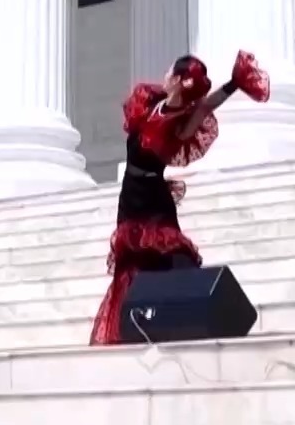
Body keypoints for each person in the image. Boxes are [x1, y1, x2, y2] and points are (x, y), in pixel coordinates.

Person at [91, 50, 270, 346]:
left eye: (170, 71)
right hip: (131, 196)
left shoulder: (179, 119)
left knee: (170, 256)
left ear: (176, 79)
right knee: (131, 263)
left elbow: (207, 104)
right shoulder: (149, 103)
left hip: (152, 198)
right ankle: (129, 325)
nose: (164, 74)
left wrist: (234, 84)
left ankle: (198, 314)